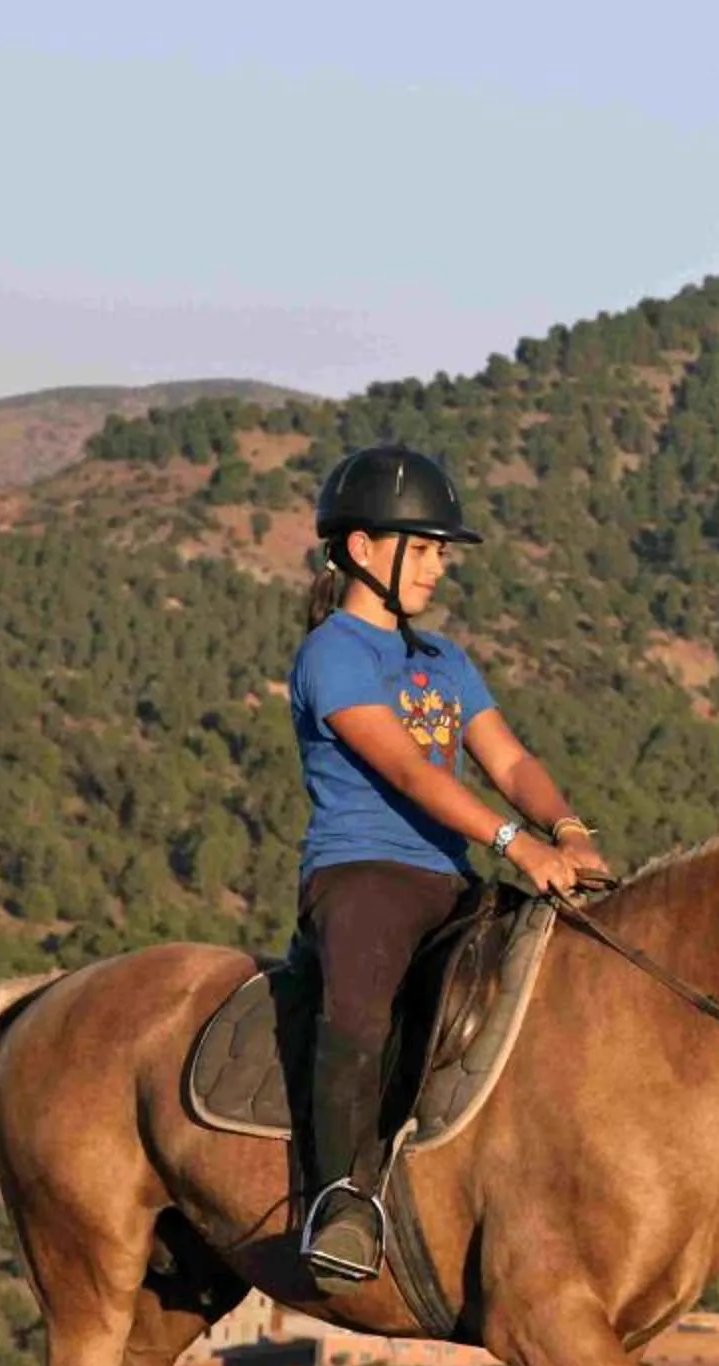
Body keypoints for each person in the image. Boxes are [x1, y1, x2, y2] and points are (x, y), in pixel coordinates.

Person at [288, 443, 609, 1290]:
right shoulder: (334, 654)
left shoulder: (446, 664)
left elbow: (508, 761)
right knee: (359, 1009)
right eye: (423, 549)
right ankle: (340, 1199)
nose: (437, 567)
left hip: (450, 879)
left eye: (439, 553)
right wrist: (516, 845)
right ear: (363, 550)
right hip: (362, 871)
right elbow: (407, 771)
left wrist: (567, 828)